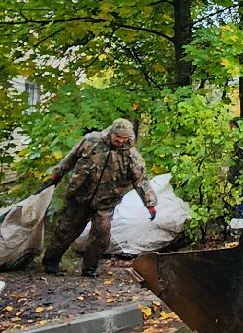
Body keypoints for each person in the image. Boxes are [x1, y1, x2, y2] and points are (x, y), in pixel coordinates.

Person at [40, 119, 156, 277]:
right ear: (111, 133)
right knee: (66, 230)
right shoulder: (91, 141)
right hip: (79, 195)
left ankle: (89, 268)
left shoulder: (131, 156)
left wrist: (150, 203)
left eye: (125, 138)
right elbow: (70, 158)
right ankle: (51, 262)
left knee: (101, 235)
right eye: (118, 137)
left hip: (106, 201)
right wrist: (56, 174)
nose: (121, 141)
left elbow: (141, 181)